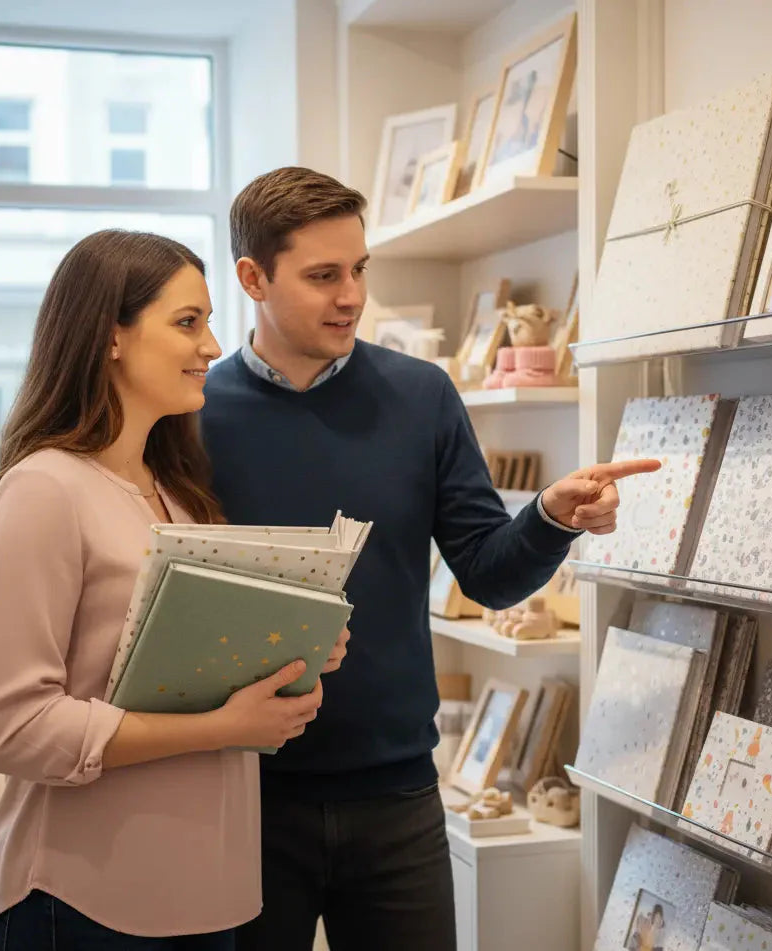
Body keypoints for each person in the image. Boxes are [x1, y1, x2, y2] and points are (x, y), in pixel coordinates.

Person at [199, 166, 660, 951]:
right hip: (241, 797)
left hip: (398, 797)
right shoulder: (196, 414)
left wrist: (548, 517)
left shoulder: (422, 395)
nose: (351, 295)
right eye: (322, 276)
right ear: (252, 277)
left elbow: (486, 568)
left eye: (358, 269)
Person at [0, 229, 327, 950]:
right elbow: (12, 728)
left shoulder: (180, 498)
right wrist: (226, 727)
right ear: (111, 338)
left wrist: (294, 650)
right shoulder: (44, 489)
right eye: (187, 322)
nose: (213, 345)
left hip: (205, 896)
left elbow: (191, 675)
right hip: (83, 899)